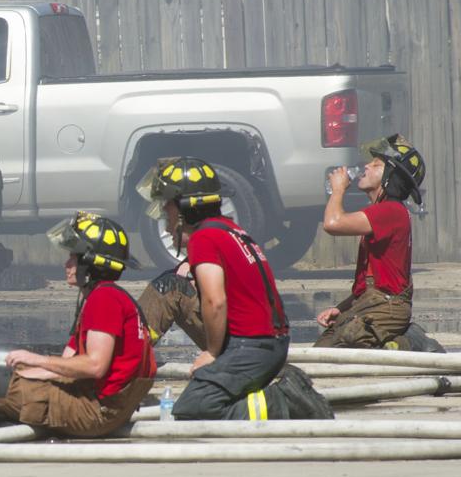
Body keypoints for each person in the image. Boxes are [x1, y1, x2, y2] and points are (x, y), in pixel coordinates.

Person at [137, 156, 333, 420]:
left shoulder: (204, 238)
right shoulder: (230, 231)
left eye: (167, 207)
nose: (165, 217)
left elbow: (215, 301)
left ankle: (285, 401)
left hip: (249, 347)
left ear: (185, 208)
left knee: (194, 408)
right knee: (173, 284)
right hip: (265, 345)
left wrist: (211, 353)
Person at [0, 212, 157, 437]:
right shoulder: (105, 297)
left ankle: (2, 427)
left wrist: (37, 359)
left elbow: (95, 366)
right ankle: (13, 422)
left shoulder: (105, 299)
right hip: (104, 406)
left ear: (91, 263)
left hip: (95, 412)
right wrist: (33, 370)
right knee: (16, 375)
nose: (67, 263)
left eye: (74, 257)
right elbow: (69, 362)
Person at [318, 134, 441, 352]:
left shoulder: (391, 210)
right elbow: (370, 284)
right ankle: (395, 341)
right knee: (321, 352)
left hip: (388, 307)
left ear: (391, 177)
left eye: (376, 164)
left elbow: (332, 223)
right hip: (370, 303)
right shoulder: (382, 212)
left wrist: (338, 190)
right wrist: (341, 308)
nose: (366, 166)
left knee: (349, 344)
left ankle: (409, 342)